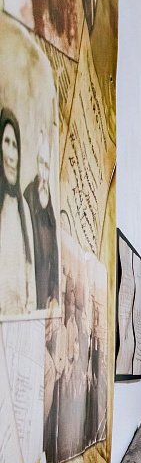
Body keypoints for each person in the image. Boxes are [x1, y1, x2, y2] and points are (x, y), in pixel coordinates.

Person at [0, 109, 35, 316]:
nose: (12, 155)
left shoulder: (24, 210)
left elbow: (30, 284)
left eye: (15, 145)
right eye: (7, 142)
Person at [24, 129, 57, 310]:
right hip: (34, 282)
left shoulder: (49, 200)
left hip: (47, 287)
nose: (43, 172)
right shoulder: (28, 194)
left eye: (47, 166)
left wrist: (54, 291)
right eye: (41, 163)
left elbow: (55, 249)